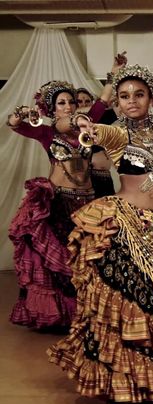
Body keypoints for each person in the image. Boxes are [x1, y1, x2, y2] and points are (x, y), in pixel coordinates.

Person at [47, 4, 153, 404]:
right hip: (125, 226)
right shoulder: (115, 135)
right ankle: (128, 382)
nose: (131, 101)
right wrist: (82, 124)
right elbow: (78, 125)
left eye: (138, 94)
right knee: (132, 303)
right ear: (118, 102)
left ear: (150, 97)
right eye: (124, 96)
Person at [7, 80, 116, 330]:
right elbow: (14, 125)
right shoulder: (48, 132)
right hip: (60, 200)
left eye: (71, 102)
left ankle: (89, 313)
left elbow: (102, 102)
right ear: (52, 109)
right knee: (62, 262)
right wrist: (20, 114)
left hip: (88, 201)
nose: (68, 106)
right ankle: (63, 316)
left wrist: (112, 77)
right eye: (61, 103)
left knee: (88, 258)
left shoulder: (86, 125)